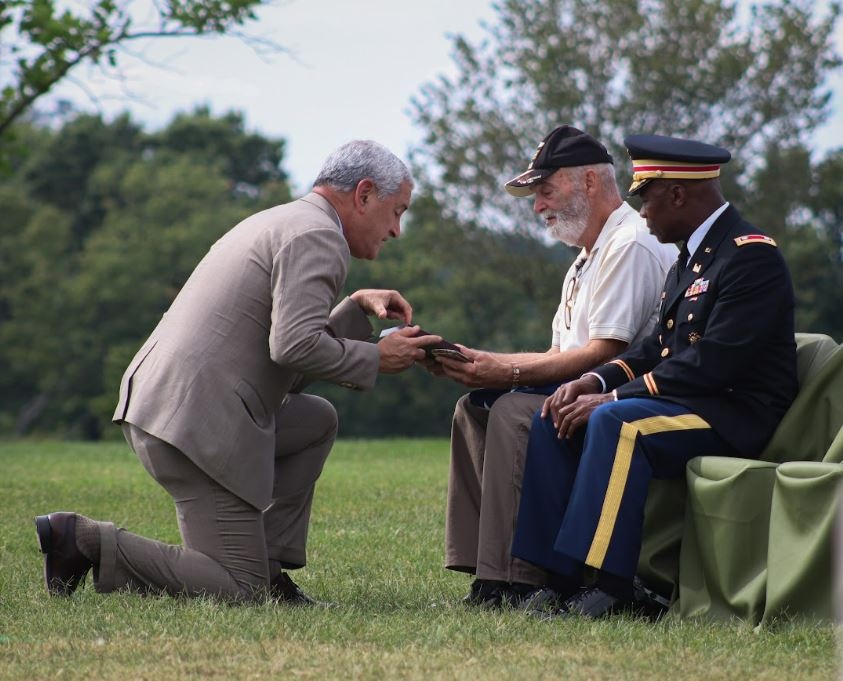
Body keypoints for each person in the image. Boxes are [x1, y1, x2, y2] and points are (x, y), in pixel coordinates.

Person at [35, 140, 441, 603]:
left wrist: (353, 311)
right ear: (364, 194)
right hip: (196, 427)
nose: (397, 230)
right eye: (397, 211)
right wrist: (376, 358)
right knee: (238, 590)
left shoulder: (286, 220)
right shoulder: (319, 236)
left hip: (173, 409)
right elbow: (293, 346)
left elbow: (285, 362)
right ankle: (83, 539)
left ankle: (268, 569)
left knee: (315, 420)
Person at [510, 134, 798, 619]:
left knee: (616, 424)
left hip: (732, 415)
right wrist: (594, 383)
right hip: (687, 403)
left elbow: (715, 363)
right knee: (556, 412)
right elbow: (656, 349)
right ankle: (554, 579)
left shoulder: (749, 254)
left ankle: (613, 589)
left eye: (647, 197)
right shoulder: (691, 256)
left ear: (679, 194)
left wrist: (615, 398)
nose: (641, 211)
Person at [436, 125, 677, 607]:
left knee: (512, 410)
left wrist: (508, 374)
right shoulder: (587, 257)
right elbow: (557, 354)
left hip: (621, 394)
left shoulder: (627, 244)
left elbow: (605, 354)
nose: (537, 205)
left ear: (589, 182)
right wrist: (481, 363)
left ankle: (517, 577)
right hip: (586, 387)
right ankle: (487, 567)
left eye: (546, 190)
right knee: (474, 405)